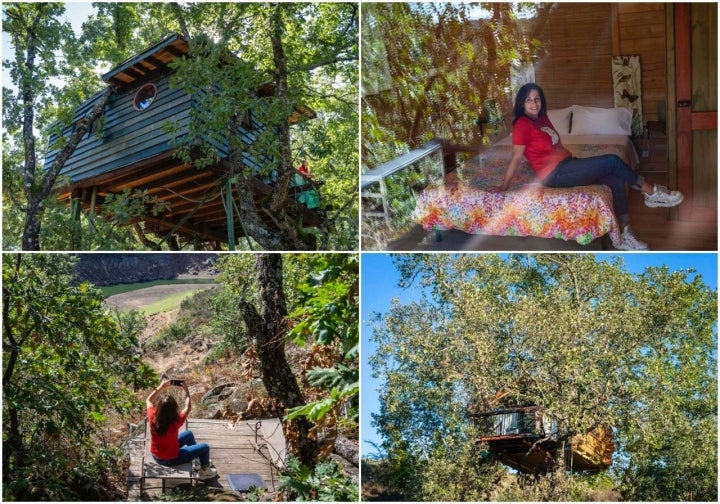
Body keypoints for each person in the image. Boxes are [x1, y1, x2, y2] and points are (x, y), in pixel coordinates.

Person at [493, 82, 683, 250]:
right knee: (613, 161)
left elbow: (553, 146)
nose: (534, 104)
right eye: (528, 100)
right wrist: (504, 186)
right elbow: (517, 157)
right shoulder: (521, 125)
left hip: (568, 164)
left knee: (615, 180)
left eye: (537, 99)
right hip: (554, 175)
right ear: (521, 103)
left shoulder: (542, 118)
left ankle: (623, 235)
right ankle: (651, 193)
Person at [146, 378, 218, 481]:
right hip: (170, 459)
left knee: (188, 434)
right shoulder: (176, 421)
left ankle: (196, 461)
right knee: (205, 447)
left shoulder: (152, 416)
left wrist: (161, 387)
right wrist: (187, 391)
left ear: (159, 407)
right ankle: (205, 472)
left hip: (156, 455)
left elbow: (148, 400)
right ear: (174, 408)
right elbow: (188, 407)